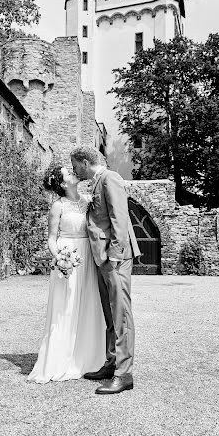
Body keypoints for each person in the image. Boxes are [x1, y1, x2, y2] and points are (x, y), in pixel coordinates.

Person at [27, 164, 106, 384]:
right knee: (66, 307)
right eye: (68, 173)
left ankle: (89, 358)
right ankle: (62, 358)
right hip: (68, 256)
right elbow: (51, 238)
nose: (73, 173)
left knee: (90, 304)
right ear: (62, 184)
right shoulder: (57, 206)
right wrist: (60, 258)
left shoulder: (89, 200)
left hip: (89, 257)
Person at [71, 146, 140, 395]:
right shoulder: (97, 181)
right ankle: (111, 363)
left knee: (121, 314)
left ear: (85, 162)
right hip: (103, 258)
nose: (74, 170)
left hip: (115, 258)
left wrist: (114, 254)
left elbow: (119, 220)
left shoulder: (110, 178)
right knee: (110, 313)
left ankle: (124, 374)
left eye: (75, 165)